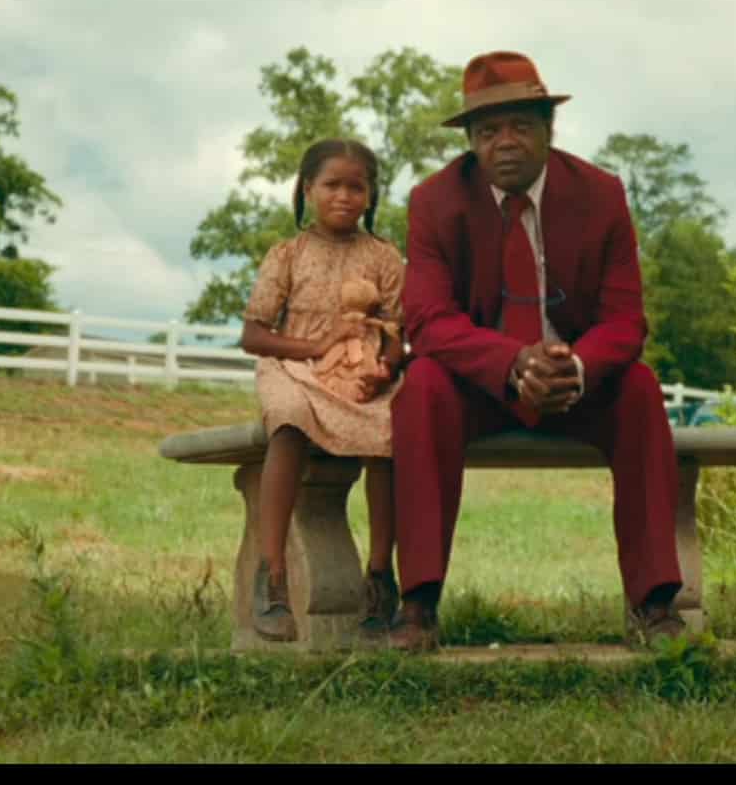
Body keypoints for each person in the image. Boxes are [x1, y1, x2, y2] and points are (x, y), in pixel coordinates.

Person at [387, 51, 686, 652]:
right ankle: (417, 604)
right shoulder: (434, 202)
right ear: (470, 142)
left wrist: (574, 367)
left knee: (641, 388)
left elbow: (626, 318)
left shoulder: (601, 194)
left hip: (579, 383)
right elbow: (427, 318)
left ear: (550, 130)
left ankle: (654, 606)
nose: (505, 143)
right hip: (480, 384)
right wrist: (509, 363)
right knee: (420, 386)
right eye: (488, 131)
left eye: (521, 126)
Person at [239, 138, 406, 641]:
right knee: (287, 420)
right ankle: (272, 578)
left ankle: (379, 578)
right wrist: (314, 347)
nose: (344, 196)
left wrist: (384, 366)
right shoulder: (287, 255)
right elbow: (254, 334)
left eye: (357, 187)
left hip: (362, 372)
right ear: (308, 189)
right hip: (293, 365)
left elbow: (399, 332)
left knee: (390, 430)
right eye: (332, 185)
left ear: (372, 196)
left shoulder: (383, 257)